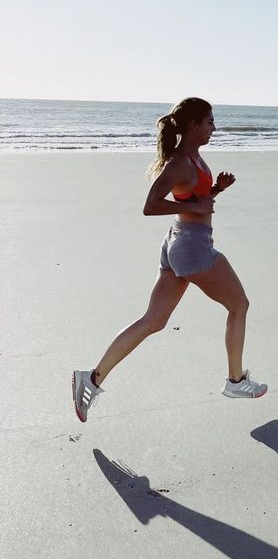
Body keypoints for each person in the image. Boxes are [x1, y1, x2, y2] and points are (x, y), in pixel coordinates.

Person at [72, 97, 267, 422]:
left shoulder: (193, 158)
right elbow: (150, 205)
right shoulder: (180, 162)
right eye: (209, 122)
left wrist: (215, 190)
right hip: (192, 247)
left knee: (154, 320)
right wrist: (196, 207)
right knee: (239, 305)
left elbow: (192, 199)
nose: (214, 127)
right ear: (194, 124)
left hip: (179, 242)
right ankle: (235, 381)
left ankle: (91, 378)